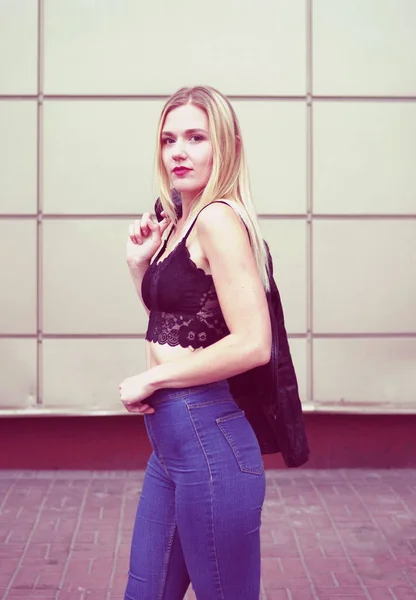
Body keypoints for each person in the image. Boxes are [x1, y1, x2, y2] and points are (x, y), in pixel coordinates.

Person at [119, 85, 273, 600]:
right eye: (168, 140)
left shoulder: (217, 219)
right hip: (171, 449)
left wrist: (153, 377)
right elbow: (183, 326)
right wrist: (139, 267)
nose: (178, 151)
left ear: (225, 145)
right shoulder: (179, 222)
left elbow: (254, 344)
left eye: (195, 137)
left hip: (212, 445)